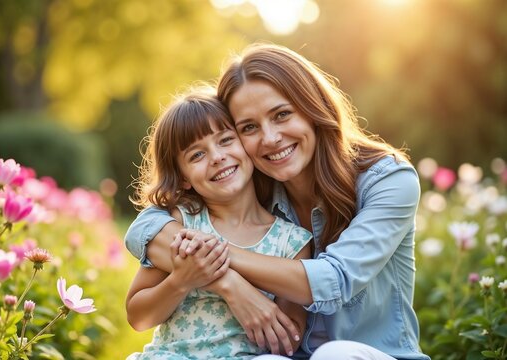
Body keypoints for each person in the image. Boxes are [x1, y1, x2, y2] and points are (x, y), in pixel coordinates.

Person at [125, 43, 430, 360]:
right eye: (249, 127)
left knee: (334, 354)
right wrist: (229, 283)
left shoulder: (388, 180)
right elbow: (145, 226)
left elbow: (334, 279)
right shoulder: (254, 184)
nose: (270, 139)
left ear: (313, 108)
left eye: (282, 114)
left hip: (365, 353)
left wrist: (211, 259)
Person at [125, 87, 312, 360]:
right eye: (196, 155)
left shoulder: (291, 242)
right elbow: (138, 318)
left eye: (225, 140)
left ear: (246, 145)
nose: (216, 157)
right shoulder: (183, 223)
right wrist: (180, 281)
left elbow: (289, 341)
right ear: (184, 177)